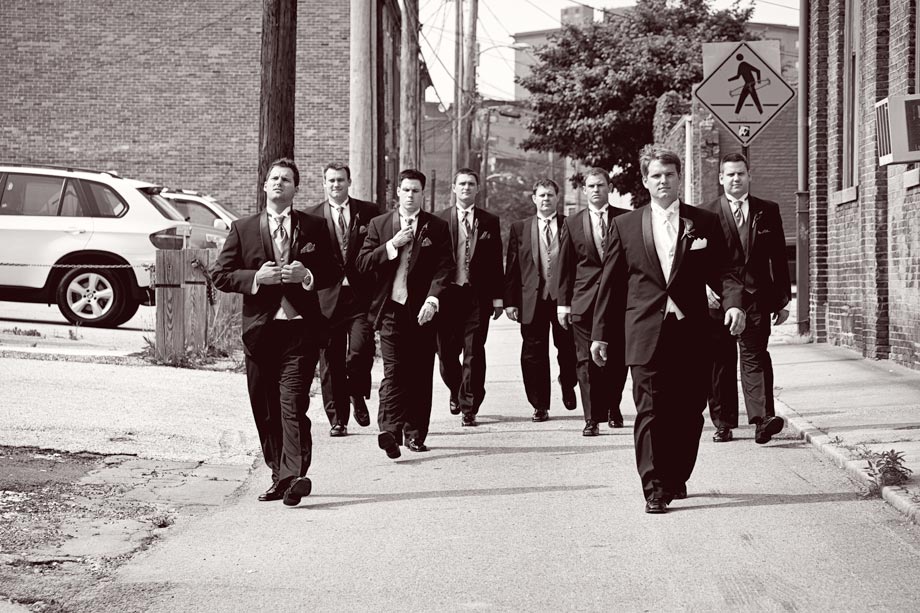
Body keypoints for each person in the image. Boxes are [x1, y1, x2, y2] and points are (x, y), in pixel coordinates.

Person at [590, 147, 745, 514]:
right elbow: (610, 285)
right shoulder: (625, 226)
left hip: (691, 332)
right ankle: (654, 487)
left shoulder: (703, 223)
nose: (663, 181)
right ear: (646, 181)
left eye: (670, 175)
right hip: (644, 331)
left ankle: (676, 476)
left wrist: (734, 302)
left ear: (679, 178)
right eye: (656, 175)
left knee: (689, 411)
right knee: (650, 410)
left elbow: (725, 270)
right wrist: (600, 333)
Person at [211, 158, 340, 506]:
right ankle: (278, 472)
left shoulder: (314, 226)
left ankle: (292, 477)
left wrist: (308, 276)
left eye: (287, 179)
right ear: (265, 186)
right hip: (261, 332)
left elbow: (333, 269)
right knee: (265, 409)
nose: (280, 183)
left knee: (291, 403)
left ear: (296, 188)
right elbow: (220, 275)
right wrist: (255, 279)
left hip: (301, 331)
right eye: (274, 178)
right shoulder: (243, 228)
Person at [356, 169, 453, 458]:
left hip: (423, 311)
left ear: (423, 194)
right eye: (406, 190)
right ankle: (389, 430)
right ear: (397, 192)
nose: (410, 195)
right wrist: (391, 245)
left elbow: (445, 267)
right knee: (394, 371)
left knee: (420, 373)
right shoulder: (380, 224)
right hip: (391, 310)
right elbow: (363, 263)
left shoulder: (436, 227)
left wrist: (433, 300)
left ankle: (415, 434)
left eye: (416, 191)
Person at [701, 152, 791, 445]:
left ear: (749, 175)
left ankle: (762, 420)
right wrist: (704, 289)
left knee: (755, 356)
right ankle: (724, 423)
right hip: (718, 299)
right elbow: (696, 260)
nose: (736, 179)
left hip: (756, 298)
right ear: (721, 179)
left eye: (740, 173)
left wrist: (782, 299)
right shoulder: (708, 213)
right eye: (730, 174)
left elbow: (778, 257)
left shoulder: (767, 210)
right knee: (720, 361)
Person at [302, 162, 378, 438]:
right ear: (324, 183)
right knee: (330, 360)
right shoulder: (311, 217)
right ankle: (338, 419)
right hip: (327, 297)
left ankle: (357, 393)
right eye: (331, 181)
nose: (336, 185)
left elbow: (376, 252)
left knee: (360, 350)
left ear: (349, 182)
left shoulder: (369, 212)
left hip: (360, 297)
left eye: (341, 180)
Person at [557, 168, 629, 436]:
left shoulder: (626, 219)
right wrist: (563, 305)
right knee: (585, 361)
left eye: (601, 185)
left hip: (619, 301)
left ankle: (613, 406)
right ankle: (591, 417)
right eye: (591, 186)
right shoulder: (572, 223)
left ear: (609, 187)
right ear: (584, 190)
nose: (596, 190)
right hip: (584, 302)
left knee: (617, 360)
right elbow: (564, 266)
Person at [504, 178, 578, 423]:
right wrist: (510, 301)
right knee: (533, 353)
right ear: (534, 199)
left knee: (568, 349)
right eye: (541, 195)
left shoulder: (571, 225)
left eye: (550, 195)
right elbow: (513, 267)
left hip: (562, 299)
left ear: (557, 198)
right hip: (531, 299)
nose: (546, 199)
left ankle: (568, 382)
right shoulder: (520, 228)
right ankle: (539, 404)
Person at [435, 169, 504, 427]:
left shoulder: (489, 221)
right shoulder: (440, 220)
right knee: (446, 355)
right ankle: (456, 389)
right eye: (461, 183)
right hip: (448, 296)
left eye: (471, 184)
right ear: (453, 188)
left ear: (478, 189)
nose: (466, 188)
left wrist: (498, 299)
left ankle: (469, 405)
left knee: (474, 351)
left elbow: (496, 262)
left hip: (477, 297)